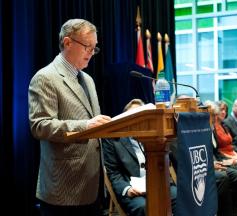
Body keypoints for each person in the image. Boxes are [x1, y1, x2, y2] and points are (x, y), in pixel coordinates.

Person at [28, 19, 111, 216]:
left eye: (94, 48)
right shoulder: (45, 77)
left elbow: (94, 122)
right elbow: (40, 126)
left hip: (92, 185)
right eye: (87, 47)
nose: (91, 52)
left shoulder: (88, 79)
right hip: (63, 189)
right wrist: (86, 126)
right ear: (67, 43)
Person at [102, 99, 177, 216]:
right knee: (144, 207)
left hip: (157, 184)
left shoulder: (155, 135)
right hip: (133, 190)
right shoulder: (113, 139)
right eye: (133, 116)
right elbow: (113, 172)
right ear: (125, 119)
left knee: (179, 197)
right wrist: (126, 189)